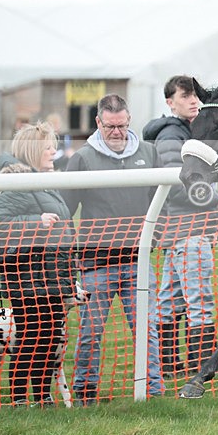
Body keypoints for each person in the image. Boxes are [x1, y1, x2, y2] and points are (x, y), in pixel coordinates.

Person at [61, 94, 164, 405]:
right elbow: (66, 208)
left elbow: (161, 201)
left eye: (121, 125)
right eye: (110, 127)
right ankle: (85, 391)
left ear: (129, 120)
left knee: (147, 330)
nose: (117, 132)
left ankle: (153, 391)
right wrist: (68, 254)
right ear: (98, 123)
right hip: (96, 264)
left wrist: (155, 235)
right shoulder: (82, 159)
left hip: (138, 261)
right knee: (91, 333)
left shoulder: (149, 152)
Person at [143, 75, 218, 377]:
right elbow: (177, 182)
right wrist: (213, 200)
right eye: (185, 96)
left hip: (179, 230)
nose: (194, 101)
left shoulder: (186, 131)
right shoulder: (172, 136)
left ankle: (169, 366)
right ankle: (200, 368)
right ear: (170, 102)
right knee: (200, 300)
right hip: (189, 230)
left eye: (195, 96)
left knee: (170, 301)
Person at [0, 121, 77, 407]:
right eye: (48, 147)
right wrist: (34, 223)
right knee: (30, 340)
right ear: (33, 151)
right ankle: (18, 399)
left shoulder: (46, 182)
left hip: (52, 277)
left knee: (50, 340)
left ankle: (42, 397)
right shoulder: (18, 184)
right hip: (27, 281)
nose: (54, 151)